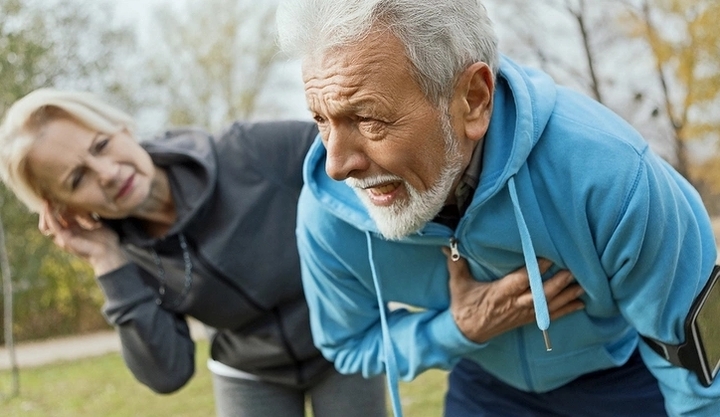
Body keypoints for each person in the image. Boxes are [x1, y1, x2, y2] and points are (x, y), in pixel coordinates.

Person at [275, 0, 720, 416]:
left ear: (473, 99)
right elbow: (349, 344)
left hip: (624, 382)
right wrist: (458, 329)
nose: (336, 166)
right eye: (321, 119)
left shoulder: (614, 175)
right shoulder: (327, 213)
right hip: (485, 386)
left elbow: (698, 365)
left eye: (368, 118)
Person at [0, 88, 391, 417]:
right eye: (77, 178)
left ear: (121, 127)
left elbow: (363, 160)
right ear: (63, 208)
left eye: (101, 145)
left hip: (343, 344)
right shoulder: (124, 255)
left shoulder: (249, 151)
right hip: (248, 373)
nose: (106, 172)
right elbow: (167, 374)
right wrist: (108, 262)